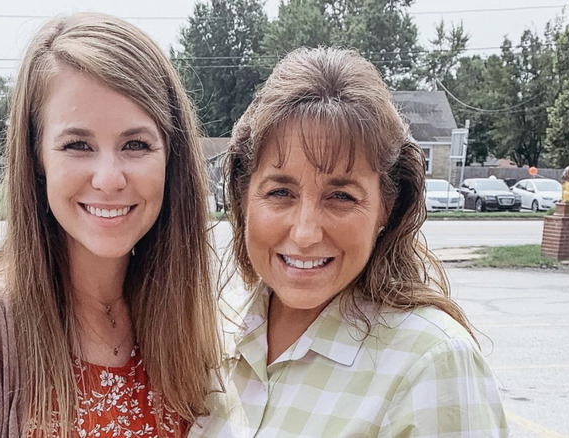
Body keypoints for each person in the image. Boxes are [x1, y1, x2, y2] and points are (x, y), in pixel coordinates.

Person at [0, 13, 220, 438]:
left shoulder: (186, 318)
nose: (109, 178)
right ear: (38, 158)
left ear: (171, 157)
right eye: (77, 145)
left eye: (136, 144)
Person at [190, 47, 508, 437]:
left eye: (341, 196)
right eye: (280, 193)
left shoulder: (431, 364)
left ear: (386, 209)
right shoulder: (211, 333)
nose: (306, 233)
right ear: (242, 197)